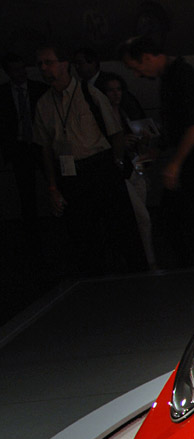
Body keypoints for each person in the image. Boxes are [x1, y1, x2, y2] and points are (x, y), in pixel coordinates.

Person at [32, 44, 146, 276]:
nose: (43, 68)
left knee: (122, 227)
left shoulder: (89, 94)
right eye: (40, 64)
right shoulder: (44, 103)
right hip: (70, 172)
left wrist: (116, 164)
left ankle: (137, 275)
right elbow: (45, 149)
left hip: (100, 165)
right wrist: (53, 186)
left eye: (49, 62)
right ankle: (94, 280)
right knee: (83, 234)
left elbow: (115, 133)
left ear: (64, 64)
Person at [119, 34, 194, 267]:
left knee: (186, 219)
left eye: (135, 67)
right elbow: (184, 123)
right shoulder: (173, 76)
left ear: (147, 57)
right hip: (193, 158)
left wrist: (175, 163)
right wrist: (159, 150)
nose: (137, 74)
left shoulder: (181, 77)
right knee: (188, 218)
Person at [100, 70, 157, 268]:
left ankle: (142, 259)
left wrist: (142, 142)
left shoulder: (125, 113)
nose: (116, 94)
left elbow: (139, 147)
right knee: (142, 218)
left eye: (118, 90)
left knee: (140, 217)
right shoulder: (103, 118)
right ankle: (148, 260)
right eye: (111, 90)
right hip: (120, 170)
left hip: (134, 167)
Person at [1, 52, 50, 275]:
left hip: (39, 143)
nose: (20, 74)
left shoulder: (39, 89)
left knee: (52, 181)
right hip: (20, 146)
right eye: (15, 70)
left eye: (22, 69)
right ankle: (33, 233)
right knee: (26, 191)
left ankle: (51, 224)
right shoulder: (4, 93)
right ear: (8, 72)